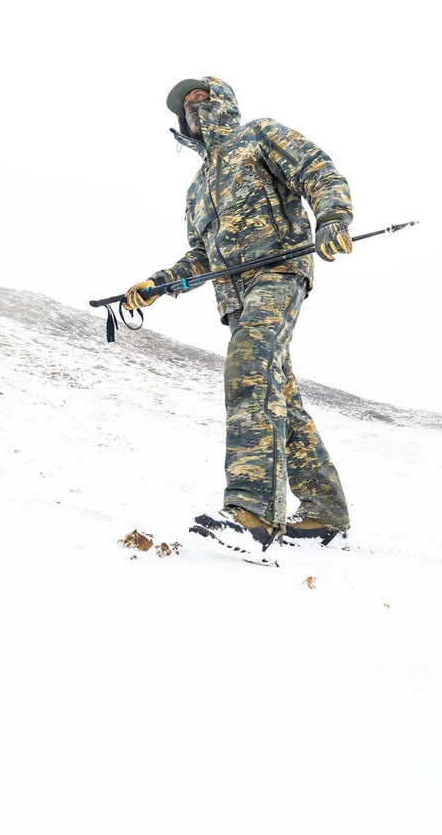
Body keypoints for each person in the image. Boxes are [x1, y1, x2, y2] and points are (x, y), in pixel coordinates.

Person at [124, 76, 353, 560]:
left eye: (200, 97)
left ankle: (252, 514)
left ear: (223, 101)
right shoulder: (197, 189)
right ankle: (326, 514)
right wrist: (160, 284)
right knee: (279, 397)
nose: (192, 107)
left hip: (279, 271)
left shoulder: (260, 135)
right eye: (184, 106)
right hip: (236, 299)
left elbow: (318, 170)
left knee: (248, 367)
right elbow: (203, 258)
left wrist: (333, 219)